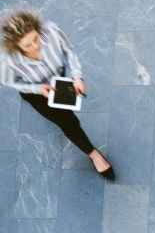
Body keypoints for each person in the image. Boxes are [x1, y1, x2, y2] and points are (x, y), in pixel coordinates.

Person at [1, 11, 115, 180]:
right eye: (27, 45)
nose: (35, 46)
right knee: (69, 122)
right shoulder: (9, 60)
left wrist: (77, 75)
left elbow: (69, 51)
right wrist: (37, 89)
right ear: (17, 46)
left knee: (68, 116)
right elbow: (10, 82)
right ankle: (94, 154)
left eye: (35, 39)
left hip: (59, 80)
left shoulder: (52, 32)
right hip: (37, 93)